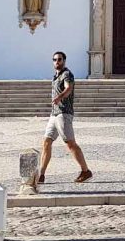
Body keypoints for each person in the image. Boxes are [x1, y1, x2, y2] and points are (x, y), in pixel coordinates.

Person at [39, 51, 92, 184]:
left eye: (60, 59)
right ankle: (41, 175)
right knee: (46, 142)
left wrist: (59, 97)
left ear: (64, 61)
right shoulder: (56, 76)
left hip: (64, 113)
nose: (57, 62)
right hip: (54, 114)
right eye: (55, 59)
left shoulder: (67, 74)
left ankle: (85, 171)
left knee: (70, 143)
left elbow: (68, 88)